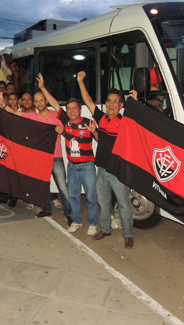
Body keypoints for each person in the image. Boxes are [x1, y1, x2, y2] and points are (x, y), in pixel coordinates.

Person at [78, 71, 135, 248]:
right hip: (101, 168)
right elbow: (88, 101)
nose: (111, 104)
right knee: (103, 202)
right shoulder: (102, 119)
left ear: (121, 105)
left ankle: (128, 234)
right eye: (109, 100)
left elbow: (140, 121)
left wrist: (135, 102)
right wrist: (81, 81)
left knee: (124, 204)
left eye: (115, 101)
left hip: (118, 170)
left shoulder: (125, 122)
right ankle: (105, 228)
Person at [37, 73, 99, 235]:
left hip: (87, 167)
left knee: (92, 197)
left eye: (74, 108)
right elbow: (54, 104)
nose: (71, 111)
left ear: (80, 110)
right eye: (69, 109)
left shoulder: (87, 122)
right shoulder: (65, 121)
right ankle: (76, 221)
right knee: (74, 197)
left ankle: (93, 223)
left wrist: (95, 132)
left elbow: (100, 139)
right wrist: (42, 88)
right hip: (72, 167)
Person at [1, 91, 72, 224]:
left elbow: (67, 128)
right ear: (35, 104)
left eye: (41, 100)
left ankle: (68, 213)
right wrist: (4, 105)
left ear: (46, 101)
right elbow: (16, 113)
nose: (39, 103)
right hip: (41, 159)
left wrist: (62, 131)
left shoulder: (55, 116)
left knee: (63, 187)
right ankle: (47, 210)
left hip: (56, 157)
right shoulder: (33, 117)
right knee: (43, 186)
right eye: (37, 101)